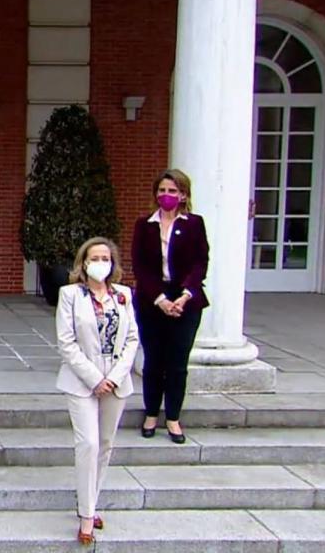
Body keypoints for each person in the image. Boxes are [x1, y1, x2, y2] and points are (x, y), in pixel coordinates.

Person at [56, 237, 138, 546]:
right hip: (81, 379)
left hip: (116, 379)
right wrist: (94, 378)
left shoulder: (123, 295)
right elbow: (66, 342)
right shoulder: (70, 295)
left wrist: (115, 377)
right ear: (84, 262)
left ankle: (92, 500)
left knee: (105, 444)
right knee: (87, 443)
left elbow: (132, 339)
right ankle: (86, 516)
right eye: (95, 257)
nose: (100, 262)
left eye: (106, 257)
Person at [131, 168, 209, 444]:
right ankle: (151, 413)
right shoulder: (145, 225)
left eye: (173, 191)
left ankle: (173, 418)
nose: (167, 195)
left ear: (184, 195)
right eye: (162, 190)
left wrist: (185, 295)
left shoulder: (194, 224)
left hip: (186, 301)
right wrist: (160, 300)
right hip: (153, 300)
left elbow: (201, 262)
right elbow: (140, 266)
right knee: (154, 360)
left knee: (177, 363)